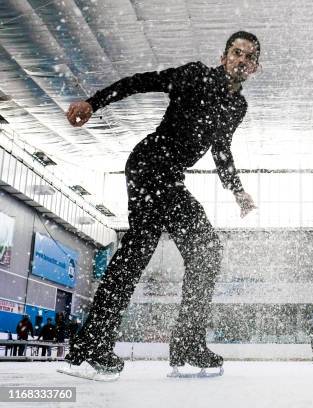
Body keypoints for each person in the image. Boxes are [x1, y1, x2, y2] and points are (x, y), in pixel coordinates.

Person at [64, 31, 260, 374]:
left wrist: (237, 190)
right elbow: (141, 82)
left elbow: (222, 148)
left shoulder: (236, 106)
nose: (241, 60)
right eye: (236, 53)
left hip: (170, 179)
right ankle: (91, 346)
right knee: (139, 249)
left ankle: (187, 343)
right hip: (149, 165)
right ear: (223, 57)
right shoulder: (195, 75)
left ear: (254, 68)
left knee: (207, 252)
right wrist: (93, 103)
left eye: (249, 57)